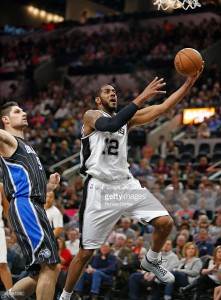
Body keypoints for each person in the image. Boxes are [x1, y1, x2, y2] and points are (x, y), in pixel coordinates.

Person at [59, 69, 203, 300]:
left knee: (165, 223)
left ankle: (152, 259)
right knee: (86, 253)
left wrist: (189, 83)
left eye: (114, 91)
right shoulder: (91, 116)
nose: (112, 94)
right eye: (107, 91)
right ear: (98, 99)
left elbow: (163, 107)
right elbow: (111, 124)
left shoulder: (129, 119)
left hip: (125, 185)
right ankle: (65, 296)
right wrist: (142, 97)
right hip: (100, 188)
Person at [0, 102, 61, 300]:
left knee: (40, 273)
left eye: (24, 110)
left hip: (34, 205)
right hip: (25, 205)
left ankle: (8, 297)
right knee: (50, 266)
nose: (24, 113)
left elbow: (26, 180)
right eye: (17, 111)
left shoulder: (26, 146)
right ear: (5, 120)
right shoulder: (8, 140)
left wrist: (48, 187)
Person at [0, 182, 13, 290]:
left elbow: (7, 210)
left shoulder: (1, 186)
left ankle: (12, 296)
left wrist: (14, 229)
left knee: (2, 264)